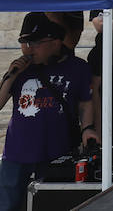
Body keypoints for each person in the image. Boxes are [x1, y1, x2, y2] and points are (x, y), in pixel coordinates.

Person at [1, 13, 97, 211]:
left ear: (55, 42)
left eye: (35, 43)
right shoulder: (21, 70)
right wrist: (10, 77)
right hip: (17, 153)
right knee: (8, 204)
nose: (29, 49)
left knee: (50, 201)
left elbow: (85, 103)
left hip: (56, 152)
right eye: (24, 43)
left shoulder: (77, 68)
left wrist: (87, 128)